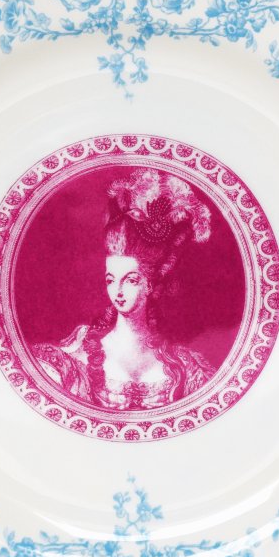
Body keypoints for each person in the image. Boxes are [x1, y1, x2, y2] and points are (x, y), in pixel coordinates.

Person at [31, 168, 216, 410]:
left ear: (150, 284)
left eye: (130, 280)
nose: (117, 290)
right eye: (110, 279)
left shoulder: (185, 368)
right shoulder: (73, 357)